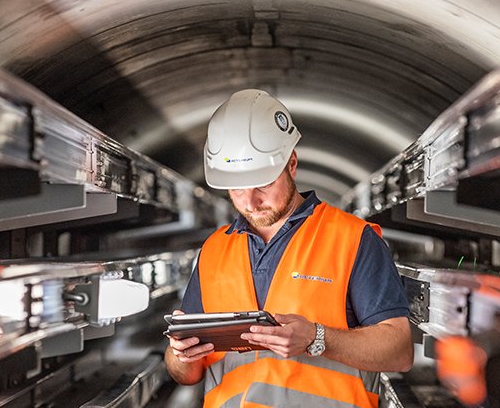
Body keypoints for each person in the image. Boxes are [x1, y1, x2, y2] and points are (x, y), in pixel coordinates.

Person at [164, 89, 414, 407]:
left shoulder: (353, 239)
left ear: (291, 163)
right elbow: (186, 374)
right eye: (236, 188)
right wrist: (180, 356)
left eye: (263, 183)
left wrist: (317, 338)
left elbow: (399, 352)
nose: (250, 202)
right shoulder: (215, 249)